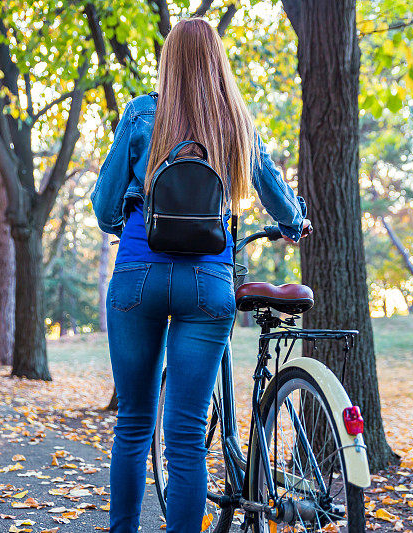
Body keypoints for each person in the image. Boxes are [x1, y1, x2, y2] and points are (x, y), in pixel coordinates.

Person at [90, 17, 310, 533]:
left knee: (133, 425)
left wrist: (128, 212)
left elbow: (103, 210)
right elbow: (277, 196)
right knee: (186, 439)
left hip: (138, 276)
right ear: (218, 62)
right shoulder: (236, 120)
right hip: (208, 286)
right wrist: (294, 222)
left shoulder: (142, 113)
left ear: (169, 62)